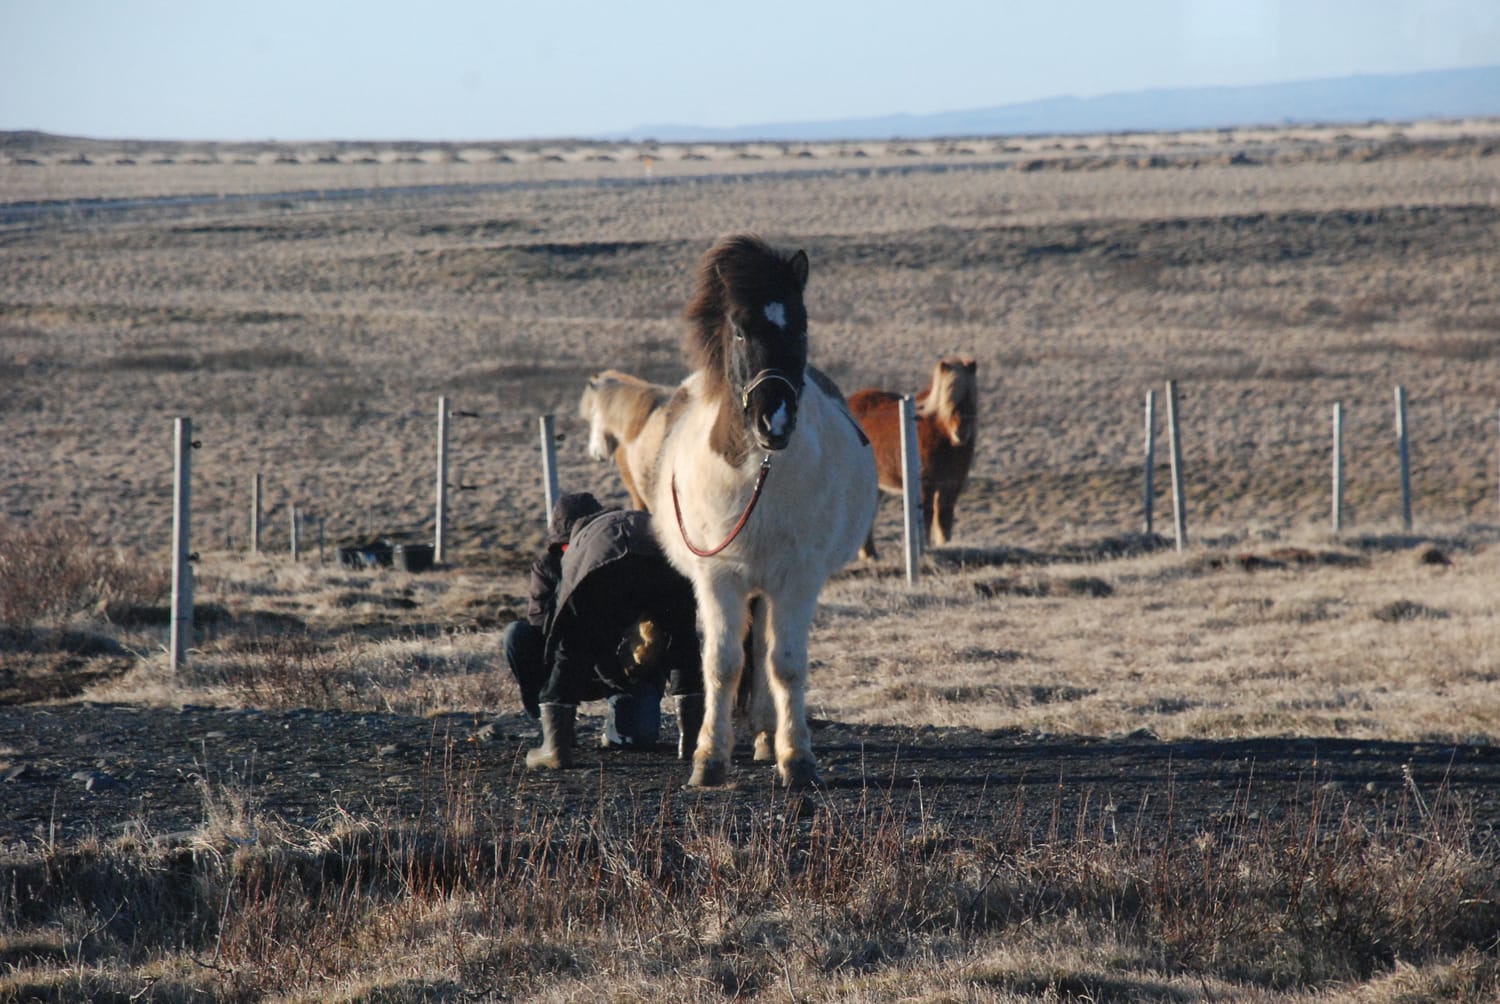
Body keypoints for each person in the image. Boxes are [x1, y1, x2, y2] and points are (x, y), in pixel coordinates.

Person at [501, 492, 704, 769]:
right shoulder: (551, 564)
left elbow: (565, 639)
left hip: (626, 672)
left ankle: (555, 747)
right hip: (663, 555)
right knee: (683, 641)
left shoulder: (584, 547)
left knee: (573, 642)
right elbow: (682, 641)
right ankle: (694, 743)